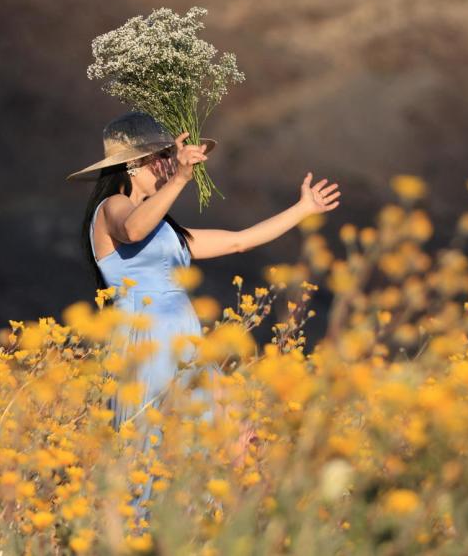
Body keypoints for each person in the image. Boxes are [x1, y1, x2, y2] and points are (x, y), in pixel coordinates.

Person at [66, 110, 341, 523]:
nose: (167, 165)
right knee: (148, 450)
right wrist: (179, 178)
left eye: (168, 158)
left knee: (223, 439)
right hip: (146, 343)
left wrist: (302, 210)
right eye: (160, 158)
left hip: (184, 342)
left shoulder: (167, 229)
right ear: (133, 167)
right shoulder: (113, 207)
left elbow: (239, 242)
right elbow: (134, 230)